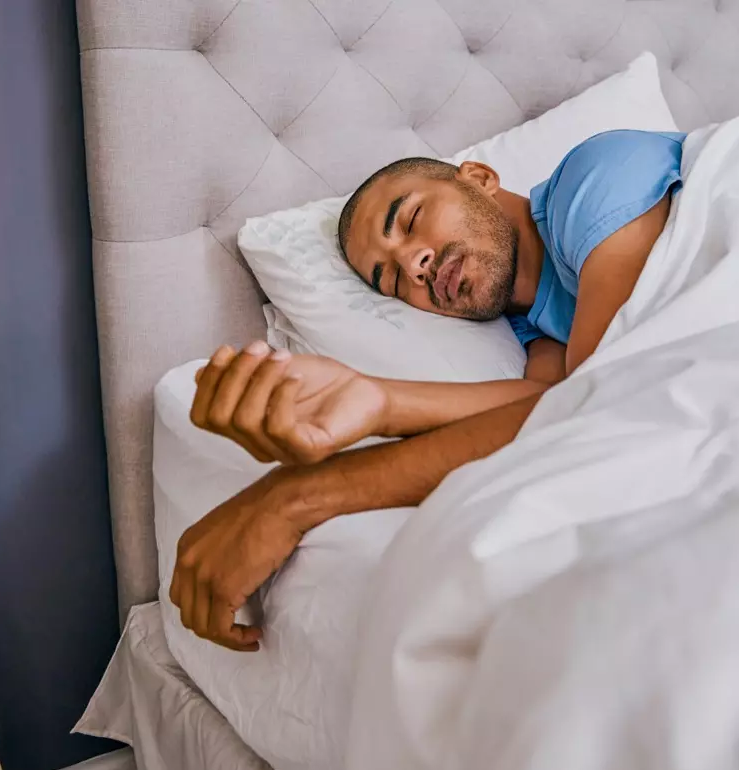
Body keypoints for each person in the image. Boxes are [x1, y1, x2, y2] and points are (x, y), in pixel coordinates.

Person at [170, 130, 685, 650]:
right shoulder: (541, 336)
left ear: (480, 180)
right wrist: (373, 399)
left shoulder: (595, 178)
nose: (413, 264)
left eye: (411, 219)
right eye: (392, 281)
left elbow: (607, 397)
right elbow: (547, 411)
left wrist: (294, 496)